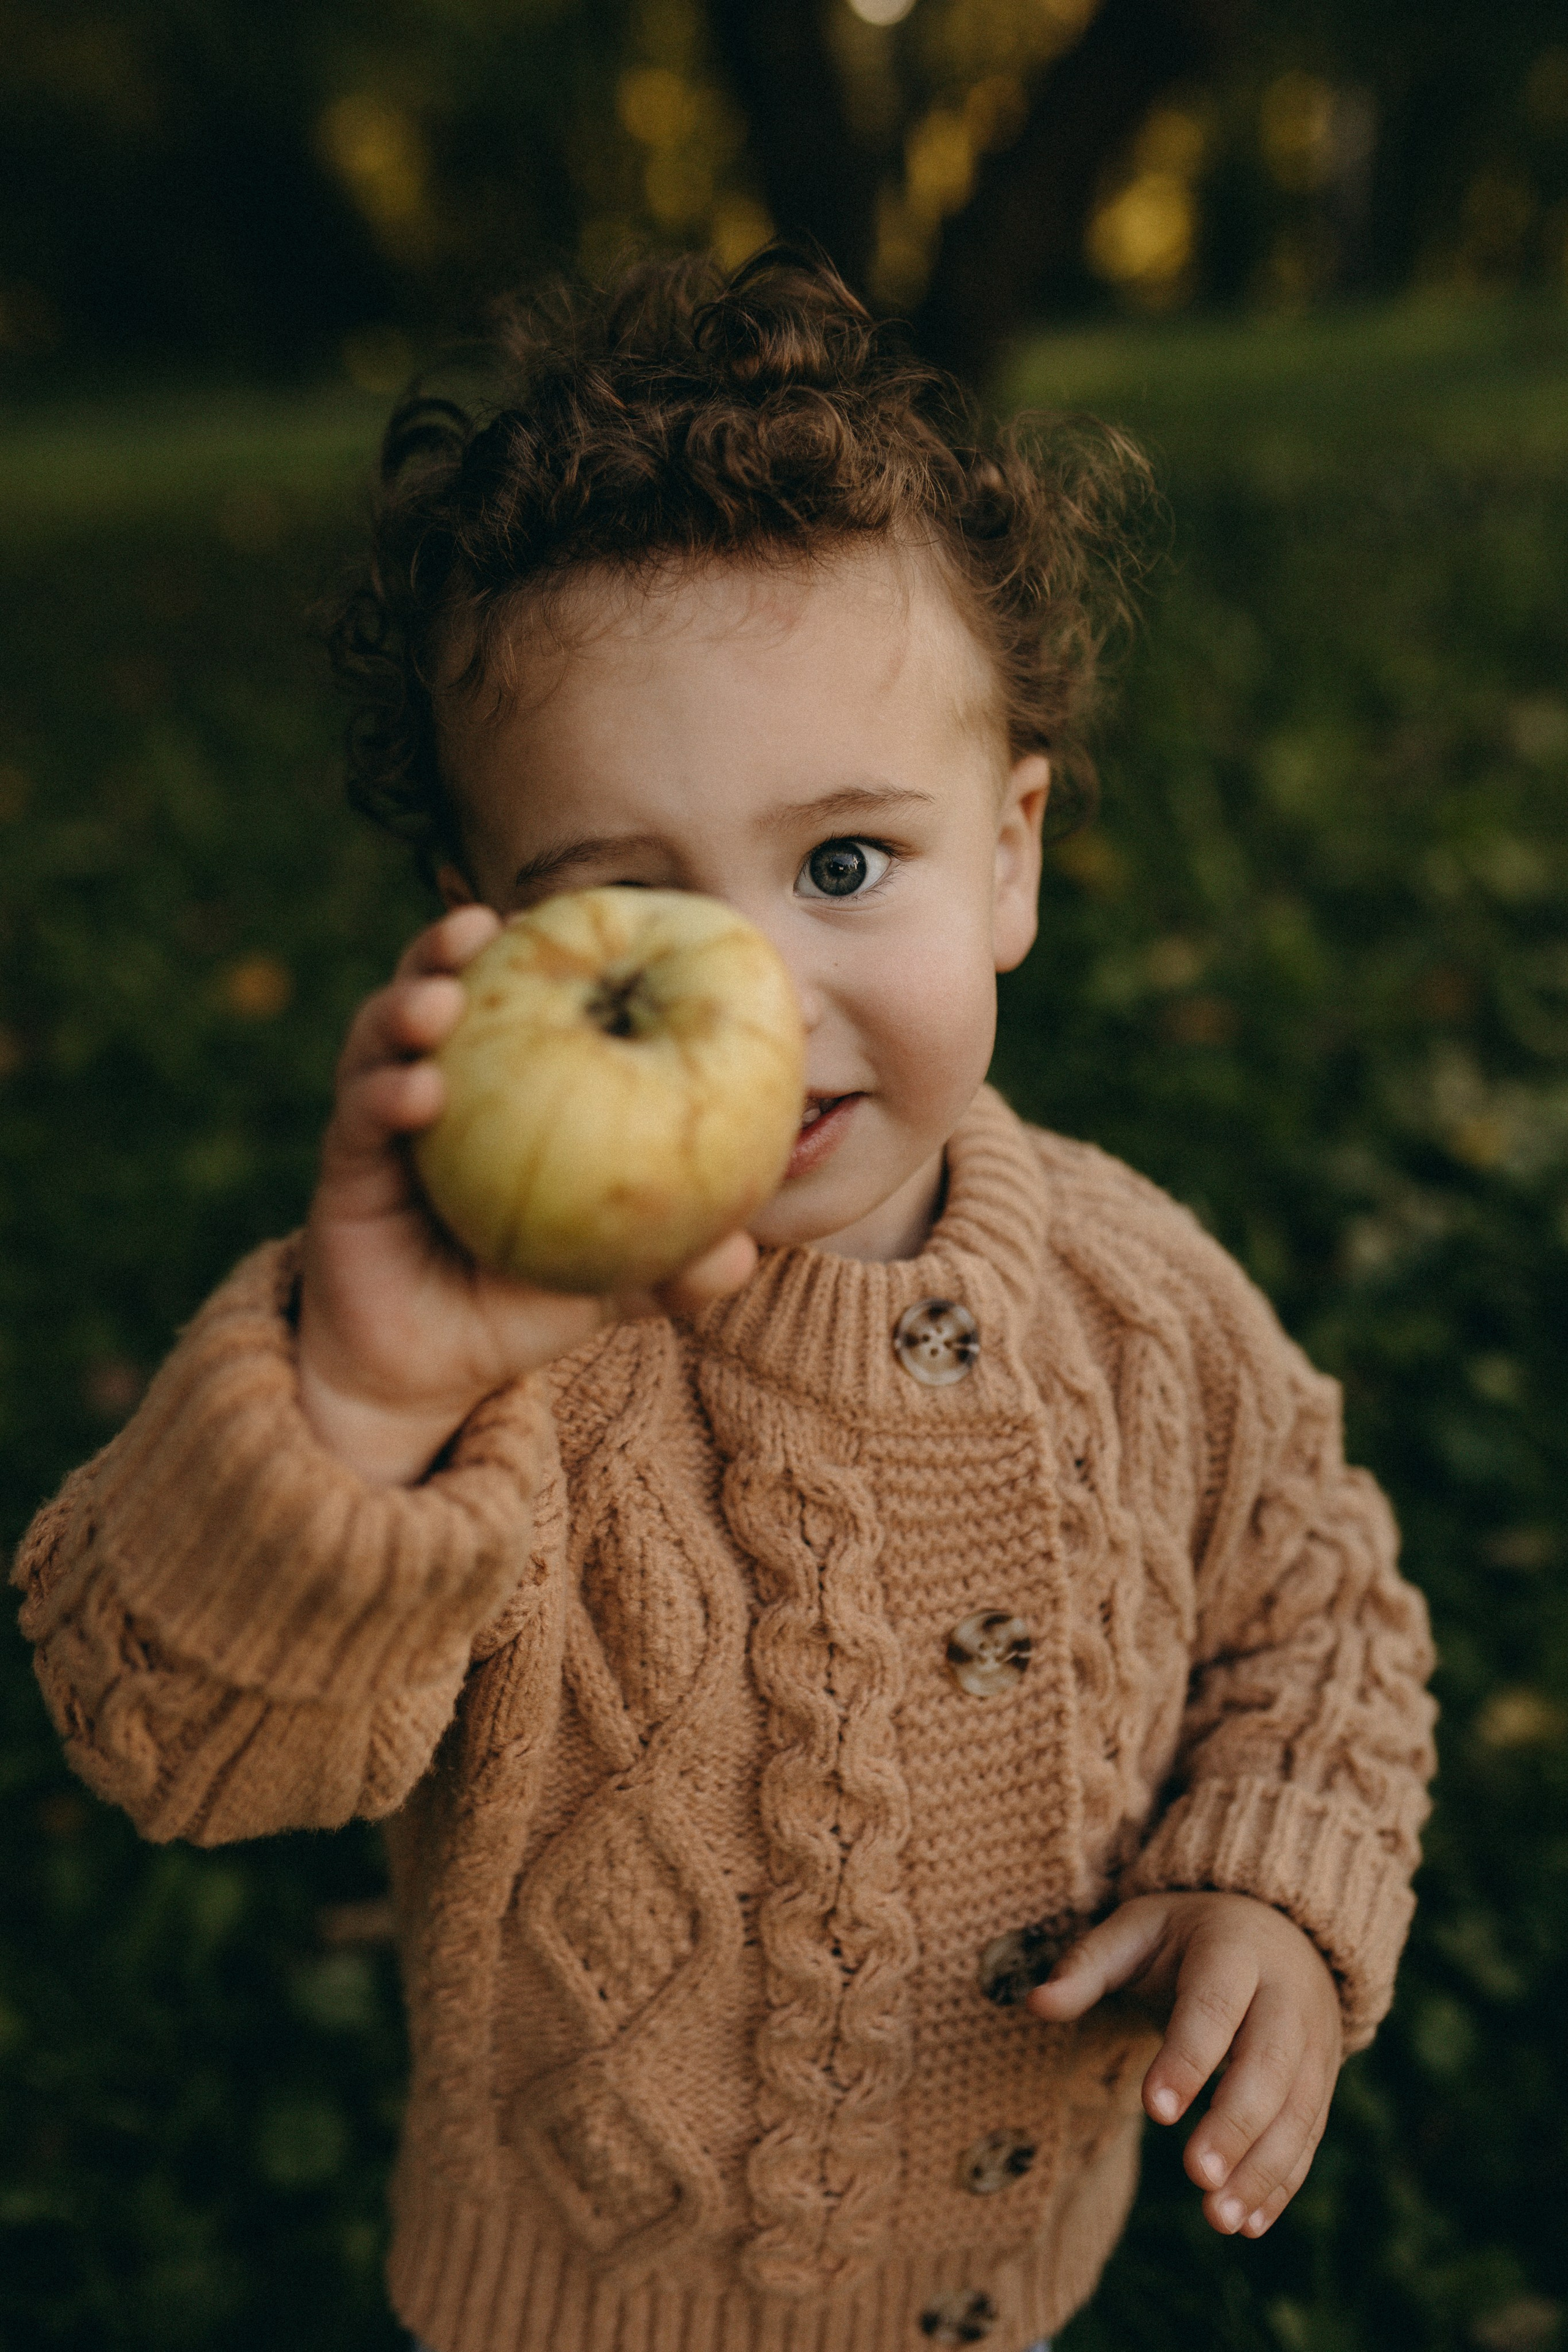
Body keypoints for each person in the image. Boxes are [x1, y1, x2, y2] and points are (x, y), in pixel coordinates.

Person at [12, 250, 1436, 2352]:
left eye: (846, 864)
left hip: (1013, 2286)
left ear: (1015, 855)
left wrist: (1279, 1883)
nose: (757, 993)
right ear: (487, 945)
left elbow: (1316, 1592)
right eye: (632, 902)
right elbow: (178, 1742)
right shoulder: (475, 1367)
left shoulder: (1146, 1303)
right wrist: (360, 1396)